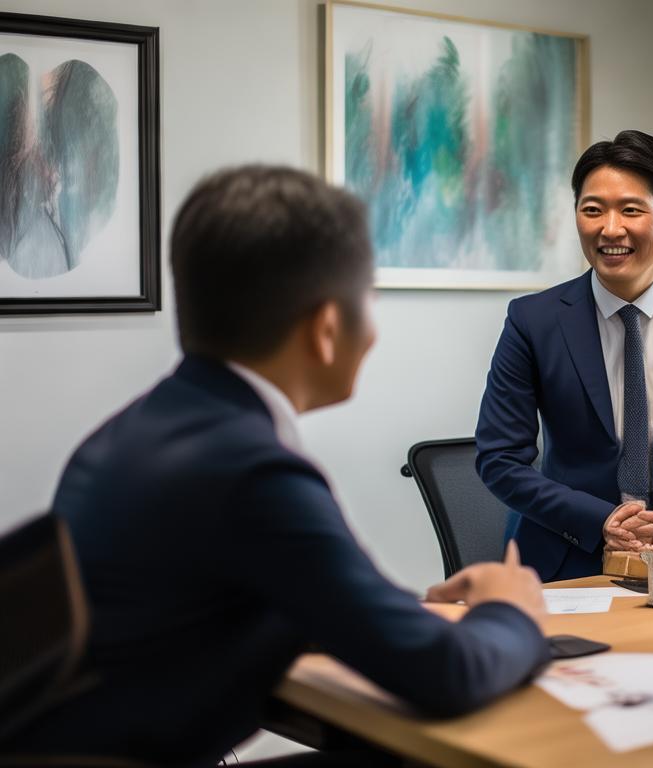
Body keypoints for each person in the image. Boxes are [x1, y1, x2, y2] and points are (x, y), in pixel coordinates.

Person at [2, 167, 551, 766]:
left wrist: (398, 614)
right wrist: (513, 609)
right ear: (326, 328)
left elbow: (262, 595)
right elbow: (450, 675)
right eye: (371, 296)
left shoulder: (135, 432)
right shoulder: (250, 472)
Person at [476, 130, 653, 581]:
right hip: (562, 561)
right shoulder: (533, 321)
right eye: (592, 210)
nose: (610, 229)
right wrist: (600, 521)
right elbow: (499, 458)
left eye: (631, 209)